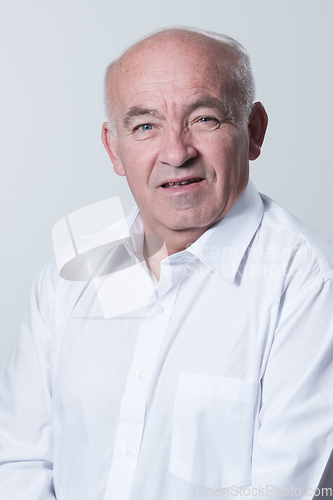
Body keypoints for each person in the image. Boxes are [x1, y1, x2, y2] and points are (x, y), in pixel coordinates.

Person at [1, 26, 333, 500]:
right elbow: (20, 462)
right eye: (145, 126)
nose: (177, 153)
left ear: (254, 131)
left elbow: (284, 491)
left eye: (204, 119)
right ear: (114, 147)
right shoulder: (70, 276)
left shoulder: (308, 285)